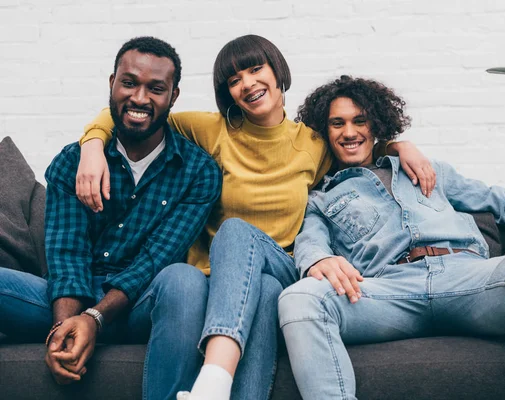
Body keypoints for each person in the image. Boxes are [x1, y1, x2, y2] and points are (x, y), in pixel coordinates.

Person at [75, 35, 435, 400]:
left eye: (255, 69)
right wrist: (91, 146)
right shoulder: (211, 130)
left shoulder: (312, 143)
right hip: (213, 282)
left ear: (278, 71)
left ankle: (212, 382)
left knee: (240, 239)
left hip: (280, 264)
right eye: (234, 80)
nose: (247, 83)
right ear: (228, 93)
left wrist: (398, 145)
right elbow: (138, 108)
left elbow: (356, 146)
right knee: (262, 291)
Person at [278, 75, 505, 400]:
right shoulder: (322, 196)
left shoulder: (426, 169)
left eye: (359, 120)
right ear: (325, 131)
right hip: (386, 291)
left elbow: (504, 201)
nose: (349, 132)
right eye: (337, 123)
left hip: (467, 279)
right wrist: (319, 258)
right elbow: (310, 241)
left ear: (375, 124)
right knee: (300, 299)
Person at [0, 36, 221, 400]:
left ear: (174, 97)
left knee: (184, 280)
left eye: (156, 88)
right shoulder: (74, 161)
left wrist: (95, 319)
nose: (139, 98)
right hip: (70, 297)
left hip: (140, 307)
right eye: (129, 83)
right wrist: (66, 329)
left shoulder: (198, 172)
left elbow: (156, 259)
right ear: (112, 83)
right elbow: (66, 254)